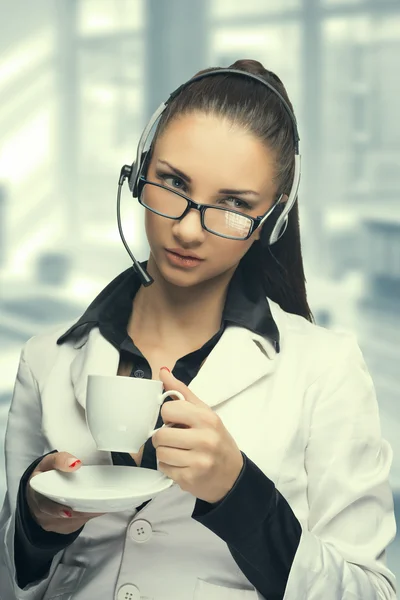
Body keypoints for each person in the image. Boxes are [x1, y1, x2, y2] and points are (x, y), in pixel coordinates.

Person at [0, 59, 397, 600]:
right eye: (171, 183)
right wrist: (35, 518)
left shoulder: (325, 368)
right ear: (138, 172)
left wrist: (238, 492)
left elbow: (370, 593)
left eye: (234, 205)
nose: (187, 229)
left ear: (273, 222)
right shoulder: (46, 358)